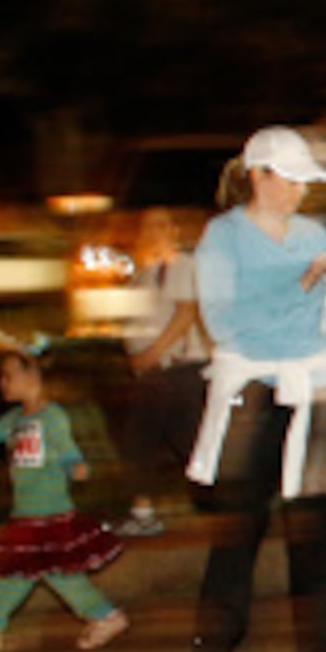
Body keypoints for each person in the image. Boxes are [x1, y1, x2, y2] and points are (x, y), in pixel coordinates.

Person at [175, 126, 326, 652]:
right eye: (288, 180)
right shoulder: (223, 238)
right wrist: (303, 284)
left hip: (311, 391)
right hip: (252, 396)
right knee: (239, 536)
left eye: (303, 183)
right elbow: (228, 324)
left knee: (312, 533)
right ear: (257, 175)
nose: (297, 194)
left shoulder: (313, 233)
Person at [0, 337, 130, 652]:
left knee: (15, 572)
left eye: (8, 375)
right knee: (58, 576)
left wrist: (76, 467)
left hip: (47, 516)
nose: (1, 383)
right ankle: (105, 615)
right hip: (30, 514)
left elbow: (69, 452)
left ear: (32, 377)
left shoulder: (52, 418)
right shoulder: (13, 421)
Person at [120, 206, 208, 535]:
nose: (151, 232)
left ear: (174, 231)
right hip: (156, 372)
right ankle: (144, 513)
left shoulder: (181, 266)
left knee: (183, 445)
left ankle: (236, 505)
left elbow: (186, 313)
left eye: (160, 225)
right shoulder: (144, 272)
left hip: (177, 370)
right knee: (150, 443)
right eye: (146, 226)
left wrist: (151, 354)